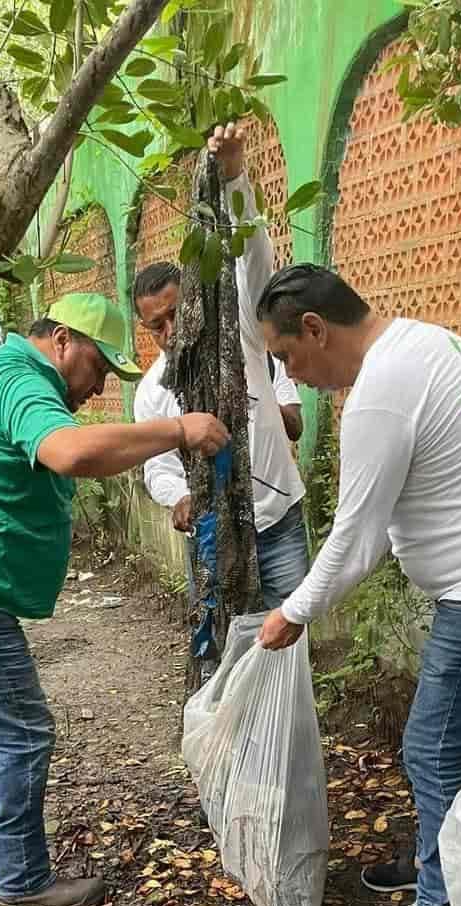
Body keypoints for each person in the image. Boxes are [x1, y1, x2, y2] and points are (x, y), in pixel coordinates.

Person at [0, 293, 228, 906]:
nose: (96, 390)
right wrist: (177, 429)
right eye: (98, 368)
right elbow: (70, 452)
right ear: (63, 340)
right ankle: (21, 877)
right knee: (22, 735)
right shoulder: (20, 378)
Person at [255, 263, 461, 906]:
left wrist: (293, 612)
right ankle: (434, 861)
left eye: (288, 356)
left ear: (316, 329)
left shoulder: (382, 392)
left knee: (433, 743)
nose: (293, 373)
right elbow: (378, 529)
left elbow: (355, 539)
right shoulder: (424, 340)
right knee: (442, 739)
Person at [132, 124, 310, 612]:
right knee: (218, 648)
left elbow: (256, 266)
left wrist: (235, 179)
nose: (169, 330)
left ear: (193, 301)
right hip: (215, 534)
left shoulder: (244, 342)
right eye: (156, 325)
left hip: (279, 524)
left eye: (175, 313)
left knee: (289, 649)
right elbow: (159, 467)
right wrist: (179, 499)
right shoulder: (154, 392)